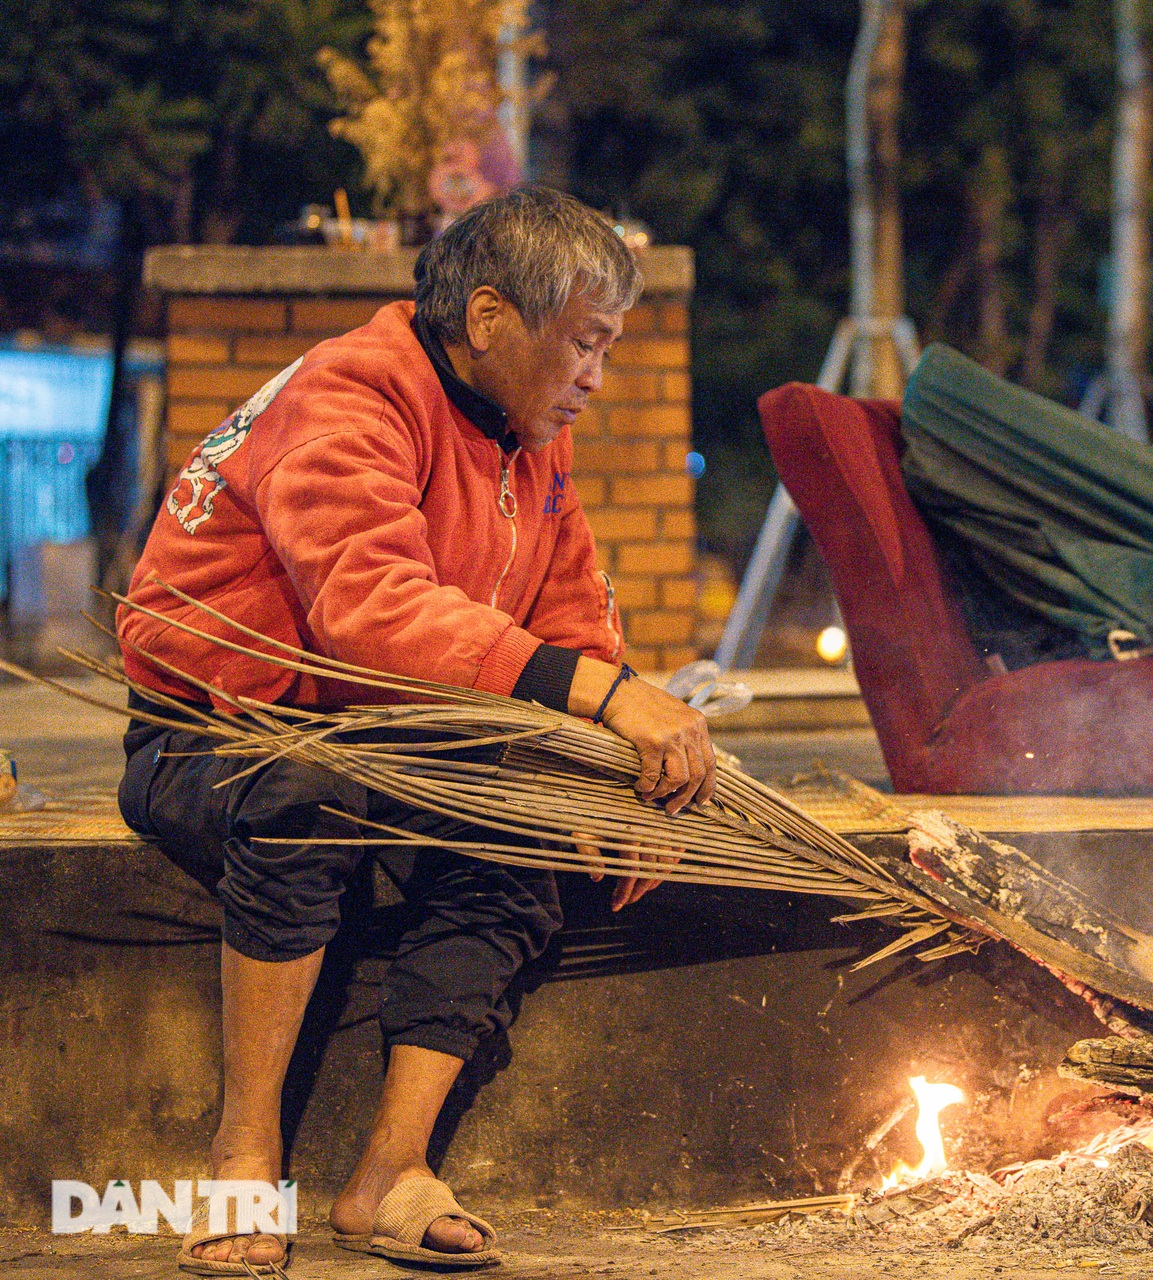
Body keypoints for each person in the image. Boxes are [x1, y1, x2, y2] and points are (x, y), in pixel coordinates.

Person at [117, 187, 715, 1274]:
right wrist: (599, 695)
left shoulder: (526, 434)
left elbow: (572, 602)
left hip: (390, 733)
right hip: (222, 731)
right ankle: (245, 1149)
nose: (596, 375)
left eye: (608, 349)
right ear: (489, 320)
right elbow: (368, 610)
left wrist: (612, 765)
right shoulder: (350, 394)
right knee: (309, 800)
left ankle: (391, 1167)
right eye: (584, 343)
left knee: (518, 838)